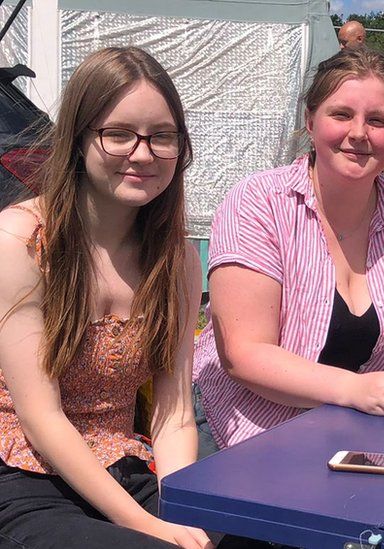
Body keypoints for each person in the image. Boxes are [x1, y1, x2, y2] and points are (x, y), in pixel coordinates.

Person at [0, 47, 210, 548]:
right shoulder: (21, 242)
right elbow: (41, 418)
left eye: (162, 136)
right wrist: (153, 528)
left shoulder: (177, 261)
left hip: (126, 466)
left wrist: (181, 512)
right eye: (118, 134)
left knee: (255, 530)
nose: (143, 153)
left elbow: (175, 412)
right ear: (77, 140)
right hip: (24, 477)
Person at [192, 47, 384, 454]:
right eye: (342, 114)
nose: (360, 133)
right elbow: (244, 354)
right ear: (311, 122)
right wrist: (352, 388)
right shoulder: (259, 201)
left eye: (378, 121)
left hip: (352, 431)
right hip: (240, 430)